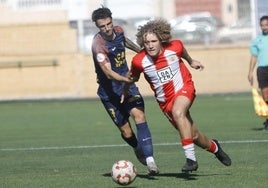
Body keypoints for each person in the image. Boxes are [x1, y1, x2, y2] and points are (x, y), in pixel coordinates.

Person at [123, 19, 231, 173]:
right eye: (147, 42)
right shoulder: (139, 61)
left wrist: (191, 61)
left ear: (161, 40)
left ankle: (191, 160)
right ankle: (215, 148)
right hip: (164, 102)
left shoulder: (175, 47)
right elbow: (133, 77)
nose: (151, 45)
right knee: (193, 135)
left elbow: (183, 51)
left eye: (154, 41)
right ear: (142, 43)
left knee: (178, 111)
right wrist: (125, 90)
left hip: (184, 88)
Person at [91, 6, 159, 175]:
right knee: (126, 131)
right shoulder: (98, 44)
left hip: (128, 87)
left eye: (108, 24)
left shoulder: (118, 30)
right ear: (97, 27)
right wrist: (124, 78)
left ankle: (150, 161)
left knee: (139, 116)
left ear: (112, 21)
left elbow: (124, 41)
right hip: (109, 92)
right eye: (102, 26)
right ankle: (137, 147)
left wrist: (142, 51)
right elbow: (108, 72)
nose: (107, 28)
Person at [248, 15, 268, 130]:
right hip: (262, 70)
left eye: (266, 24)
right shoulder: (257, 40)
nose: (264, 27)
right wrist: (250, 72)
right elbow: (254, 57)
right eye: (262, 25)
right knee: (265, 96)